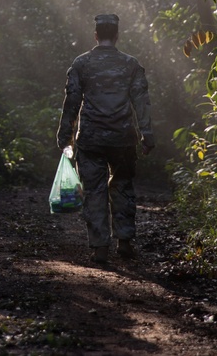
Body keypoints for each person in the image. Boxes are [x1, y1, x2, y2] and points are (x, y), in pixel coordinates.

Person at [56, 13, 154, 264]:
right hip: (122, 138)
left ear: (96, 35)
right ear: (117, 35)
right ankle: (124, 241)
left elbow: (72, 101)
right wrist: (147, 133)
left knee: (94, 191)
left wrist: (64, 134)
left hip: (91, 139)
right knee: (122, 187)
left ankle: (100, 247)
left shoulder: (82, 63)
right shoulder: (130, 64)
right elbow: (141, 101)